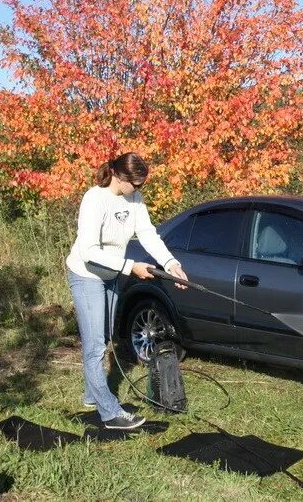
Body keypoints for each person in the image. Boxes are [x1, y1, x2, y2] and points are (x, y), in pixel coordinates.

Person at [65, 152, 188, 430]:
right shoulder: (94, 199)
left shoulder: (135, 199)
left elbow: (147, 234)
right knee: (95, 344)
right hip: (86, 275)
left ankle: (90, 395)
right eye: (135, 183)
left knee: (107, 335)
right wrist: (130, 266)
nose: (138, 189)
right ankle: (110, 413)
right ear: (119, 177)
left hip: (111, 275)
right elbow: (88, 251)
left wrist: (171, 263)